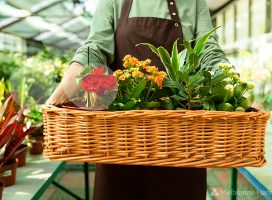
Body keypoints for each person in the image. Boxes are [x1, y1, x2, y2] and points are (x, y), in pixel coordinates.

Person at [47, 0, 230, 199]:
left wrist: (235, 88)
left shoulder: (193, 3)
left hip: (182, 147)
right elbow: (96, 48)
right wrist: (61, 94)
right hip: (119, 144)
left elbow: (209, 53)